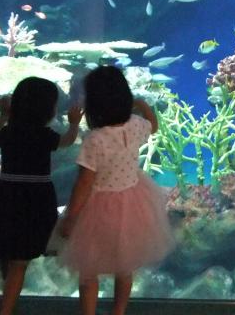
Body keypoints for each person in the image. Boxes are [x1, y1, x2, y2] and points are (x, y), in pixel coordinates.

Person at [60, 66, 175, 315]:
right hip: (134, 201)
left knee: (88, 270)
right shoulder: (136, 125)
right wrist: (142, 105)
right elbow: (154, 126)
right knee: (125, 267)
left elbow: (84, 184)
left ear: (94, 104)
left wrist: (71, 217)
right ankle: (119, 311)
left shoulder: (95, 139)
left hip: (98, 209)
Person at [0, 76, 83, 315]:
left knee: (12, 254)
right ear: (48, 109)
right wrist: (74, 124)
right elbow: (67, 141)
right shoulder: (44, 135)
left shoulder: (9, 132)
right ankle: (6, 309)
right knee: (23, 258)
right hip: (36, 197)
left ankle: (6, 300)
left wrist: (3, 116)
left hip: (8, 195)